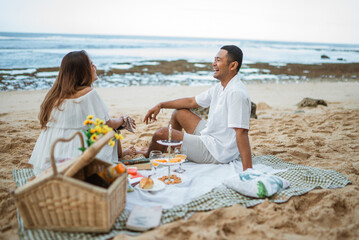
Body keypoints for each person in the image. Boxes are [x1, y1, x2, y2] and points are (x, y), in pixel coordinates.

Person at [143, 45, 252, 171]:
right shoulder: (221, 87)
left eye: (218, 60)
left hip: (218, 152)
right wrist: (161, 105)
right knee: (179, 113)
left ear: (233, 66)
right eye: (214, 59)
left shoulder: (236, 92)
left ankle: (148, 155)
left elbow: (242, 132)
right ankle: (172, 151)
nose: (213, 64)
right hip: (211, 136)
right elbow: (191, 102)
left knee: (161, 134)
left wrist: (248, 171)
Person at [29, 50, 138, 175]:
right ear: (82, 72)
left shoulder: (54, 96)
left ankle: (120, 154)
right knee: (112, 131)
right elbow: (106, 124)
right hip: (75, 160)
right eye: (91, 65)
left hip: (47, 160)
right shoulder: (89, 93)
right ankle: (118, 156)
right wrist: (123, 119)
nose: (95, 67)